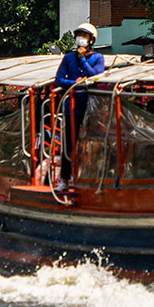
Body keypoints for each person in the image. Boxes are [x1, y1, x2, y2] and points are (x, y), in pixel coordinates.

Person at [53, 23, 106, 185]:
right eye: (79, 35)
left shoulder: (98, 58)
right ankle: (65, 178)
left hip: (91, 107)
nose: (81, 39)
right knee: (69, 143)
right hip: (72, 106)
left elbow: (95, 78)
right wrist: (73, 82)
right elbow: (58, 79)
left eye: (85, 36)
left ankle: (89, 176)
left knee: (91, 143)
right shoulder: (68, 58)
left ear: (91, 40)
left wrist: (82, 59)